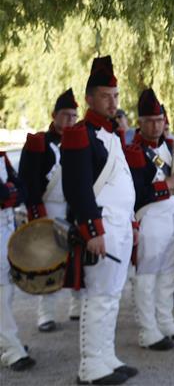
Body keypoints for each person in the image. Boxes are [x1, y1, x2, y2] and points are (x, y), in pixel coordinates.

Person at [61, 56, 137, 385]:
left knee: (112, 296)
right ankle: (90, 368)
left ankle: (106, 357)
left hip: (119, 227)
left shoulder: (113, 134)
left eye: (116, 95)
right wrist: (91, 230)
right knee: (98, 298)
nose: (112, 101)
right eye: (106, 96)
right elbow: (77, 189)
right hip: (101, 229)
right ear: (90, 98)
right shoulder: (80, 134)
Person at [126, 88, 174, 350]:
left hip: (170, 216)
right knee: (146, 276)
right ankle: (148, 330)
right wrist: (165, 185)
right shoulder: (133, 151)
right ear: (140, 123)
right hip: (149, 218)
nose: (156, 125)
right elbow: (134, 192)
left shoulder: (170, 147)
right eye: (150, 121)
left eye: (159, 120)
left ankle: (166, 321)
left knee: (167, 273)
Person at [20, 88, 81, 332]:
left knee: (79, 259)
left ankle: (77, 306)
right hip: (50, 208)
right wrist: (36, 211)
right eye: (66, 115)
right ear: (54, 115)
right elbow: (28, 180)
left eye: (74, 116)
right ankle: (45, 314)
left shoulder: (80, 142)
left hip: (75, 207)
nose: (70, 120)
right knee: (49, 260)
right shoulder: (38, 143)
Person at [1, 149, 35, 371]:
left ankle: (7, 342)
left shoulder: (2, 157)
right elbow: (5, 194)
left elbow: (21, 190)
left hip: (6, 228)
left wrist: (10, 192)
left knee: (6, 288)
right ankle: (12, 348)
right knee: (1, 291)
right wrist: (9, 192)